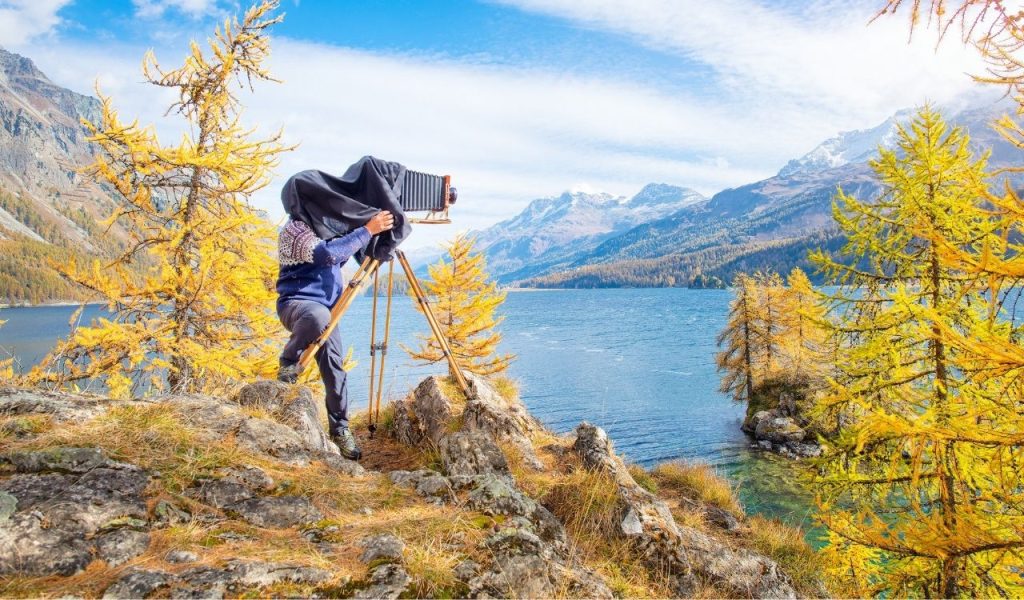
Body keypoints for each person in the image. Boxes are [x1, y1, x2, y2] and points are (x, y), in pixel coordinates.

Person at [275, 210, 396, 460]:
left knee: (335, 369)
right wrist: (368, 229)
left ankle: (340, 430)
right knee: (317, 316)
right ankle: (289, 361)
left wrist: (383, 240)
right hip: (297, 306)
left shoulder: (328, 225)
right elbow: (328, 254)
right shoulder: (295, 230)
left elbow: (353, 250)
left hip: (327, 312)